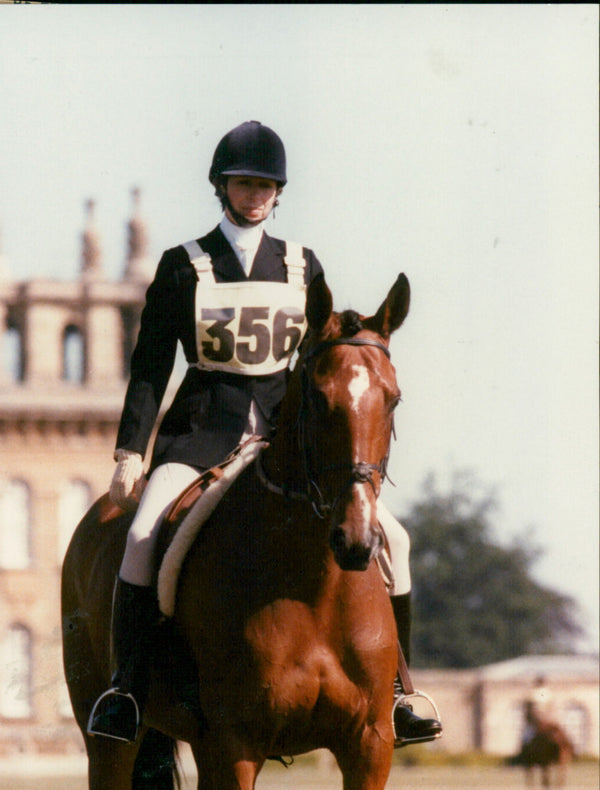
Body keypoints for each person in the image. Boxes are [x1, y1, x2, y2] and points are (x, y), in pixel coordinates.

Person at [88, 120, 442, 748]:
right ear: (222, 188)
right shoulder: (183, 266)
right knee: (142, 534)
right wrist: (129, 451)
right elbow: (150, 368)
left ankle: (398, 693)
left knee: (398, 540)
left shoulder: (304, 265)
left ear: (278, 193)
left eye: (265, 186)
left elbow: (324, 357)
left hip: (288, 434)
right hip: (202, 428)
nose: (254, 195)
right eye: (244, 184)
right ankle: (127, 687)